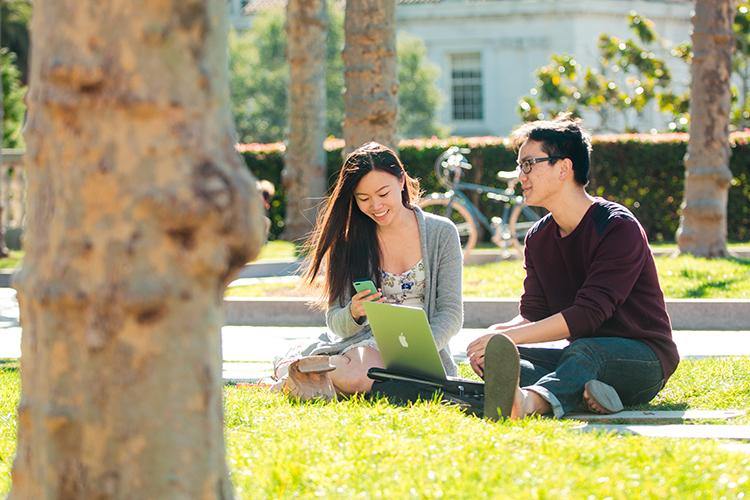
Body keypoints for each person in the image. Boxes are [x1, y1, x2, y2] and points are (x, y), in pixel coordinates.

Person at [467, 114, 679, 420]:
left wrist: (509, 339)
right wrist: (498, 336)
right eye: (519, 166)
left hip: (644, 359)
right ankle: (583, 395)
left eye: (529, 164)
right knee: (503, 355)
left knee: (585, 351)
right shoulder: (538, 238)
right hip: (584, 357)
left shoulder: (617, 227)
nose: (520, 176)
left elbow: (589, 315)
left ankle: (529, 403)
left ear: (564, 167)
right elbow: (535, 314)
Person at [272, 141, 463, 399]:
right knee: (359, 377)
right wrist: (353, 312)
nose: (376, 206)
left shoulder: (442, 233)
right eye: (364, 198)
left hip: (424, 348)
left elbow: (450, 312)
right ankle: (301, 370)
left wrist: (418, 350)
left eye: (383, 194)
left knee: (400, 387)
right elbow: (335, 321)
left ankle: (302, 373)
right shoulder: (349, 242)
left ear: (401, 181)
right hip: (368, 346)